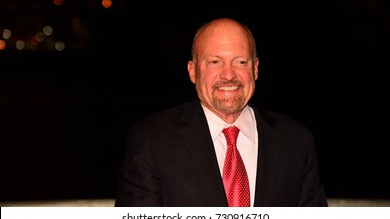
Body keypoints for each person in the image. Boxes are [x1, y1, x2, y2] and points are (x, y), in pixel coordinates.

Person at [115, 17, 328, 207]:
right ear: (193, 71)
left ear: (255, 69)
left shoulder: (297, 141)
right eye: (215, 62)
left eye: (240, 62)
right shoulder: (152, 140)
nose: (228, 75)